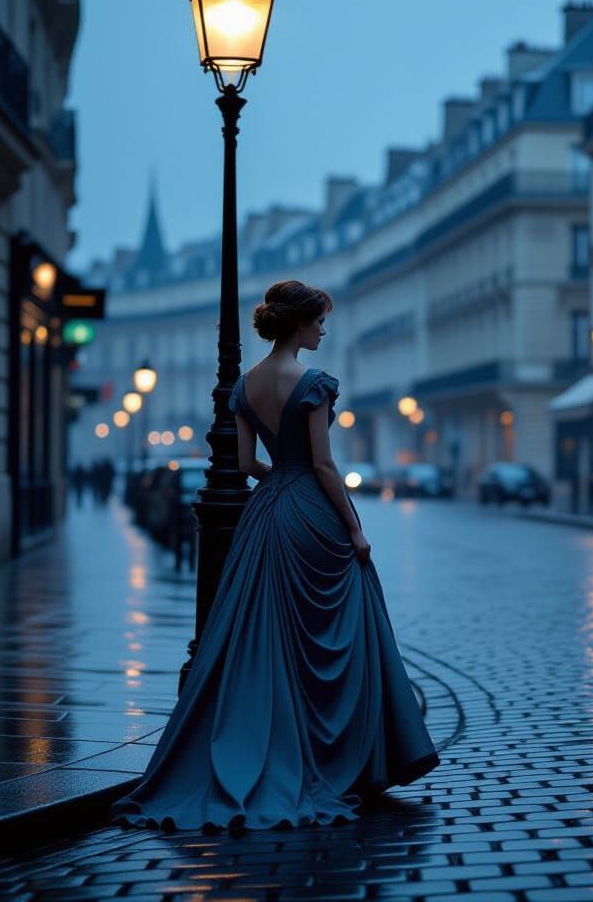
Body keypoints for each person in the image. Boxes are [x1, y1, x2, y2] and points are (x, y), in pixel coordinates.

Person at [111, 280, 439, 832]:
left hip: (267, 512)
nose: (323, 330)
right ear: (298, 326)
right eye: (317, 322)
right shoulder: (313, 384)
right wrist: (354, 526)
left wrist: (277, 479)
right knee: (338, 626)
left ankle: (277, 743)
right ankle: (342, 755)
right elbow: (324, 464)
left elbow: (242, 463)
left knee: (270, 636)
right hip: (311, 510)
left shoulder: (244, 385)